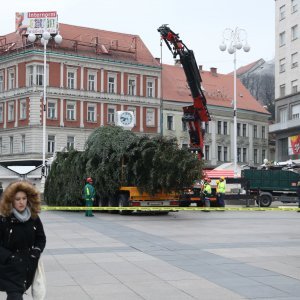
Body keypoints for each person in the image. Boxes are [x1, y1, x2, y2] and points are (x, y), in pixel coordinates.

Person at [0, 181, 46, 300]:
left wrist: (36, 250)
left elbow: (41, 237)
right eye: (17, 199)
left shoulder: (33, 217)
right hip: (9, 267)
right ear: (11, 200)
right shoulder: (4, 219)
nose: (21, 202)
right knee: (15, 296)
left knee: (17, 294)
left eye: (24, 198)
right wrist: (10, 257)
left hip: (27, 266)